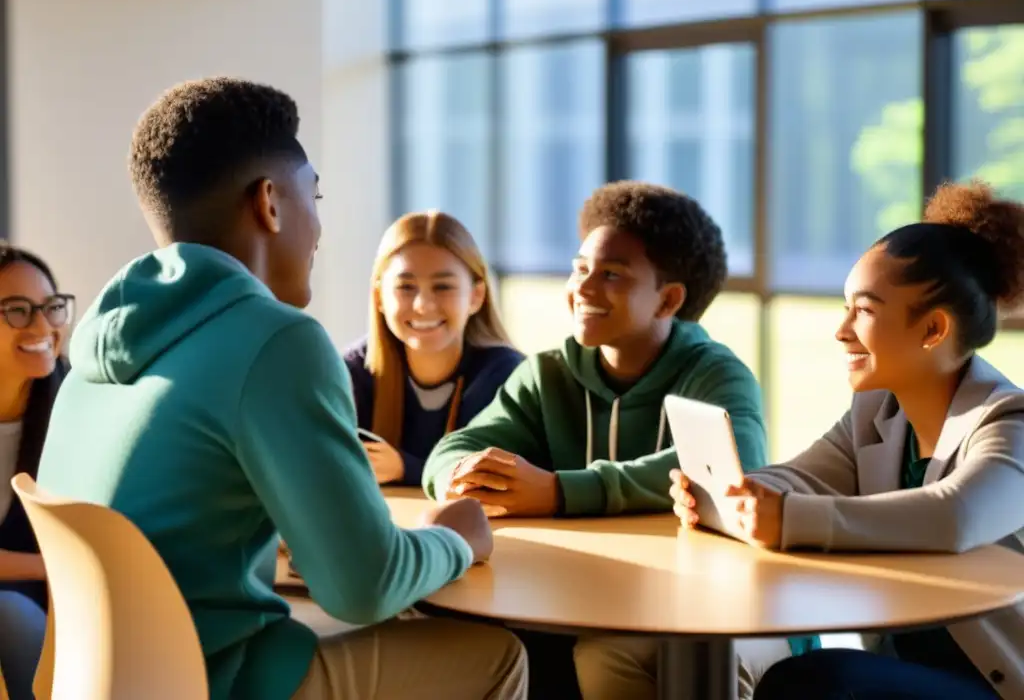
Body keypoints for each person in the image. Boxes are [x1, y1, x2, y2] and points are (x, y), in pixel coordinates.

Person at [37, 77, 526, 700]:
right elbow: (364, 588)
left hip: (104, 681)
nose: (319, 226)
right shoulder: (276, 341)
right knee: (495, 657)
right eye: (313, 196)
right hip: (216, 681)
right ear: (270, 202)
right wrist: (458, 537)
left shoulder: (96, 354)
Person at [422, 180, 813, 699]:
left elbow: (729, 470)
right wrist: (463, 476)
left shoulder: (717, 374)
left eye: (611, 275)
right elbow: (450, 452)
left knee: (611, 655)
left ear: (668, 299)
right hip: (601, 605)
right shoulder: (548, 374)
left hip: (735, 611)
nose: (583, 288)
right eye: (580, 268)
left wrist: (559, 491)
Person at [672, 180, 1024, 700]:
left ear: (932, 330)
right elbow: (801, 475)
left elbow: (956, 516)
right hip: (913, 673)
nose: (841, 330)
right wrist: (735, 495)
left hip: (998, 683)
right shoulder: (877, 412)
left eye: (864, 310)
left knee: (815, 682)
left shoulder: (1008, 421)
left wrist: (788, 518)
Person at [344, 210, 523, 486]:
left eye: (442, 287)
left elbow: (499, 479)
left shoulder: (508, 376)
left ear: (476, 296)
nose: (423, 305)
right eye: (406, 287)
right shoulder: (351, 372)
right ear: (379, 297)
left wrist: (407, 468)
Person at [0, 243, 71, 700]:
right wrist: (52, 566)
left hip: (67, 608)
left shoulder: (73, 406)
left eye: (50, 308)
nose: (43, 327)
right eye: (17, 311)